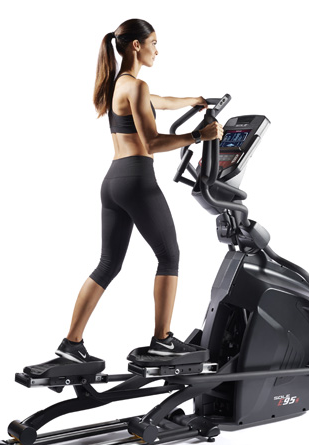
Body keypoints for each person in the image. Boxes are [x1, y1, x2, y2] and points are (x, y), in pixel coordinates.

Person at [55, 19, 224, 363]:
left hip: (113, 183)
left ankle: (71, 344)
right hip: (137, 181)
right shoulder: (137, 86)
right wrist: (198, 136)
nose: (157, 50)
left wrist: (194, 101)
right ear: (137, 45)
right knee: (169, 256)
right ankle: (163, 340)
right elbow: (152, 142)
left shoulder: (119, 85)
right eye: (154, 43)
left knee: (107, 264)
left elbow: (160, 102)